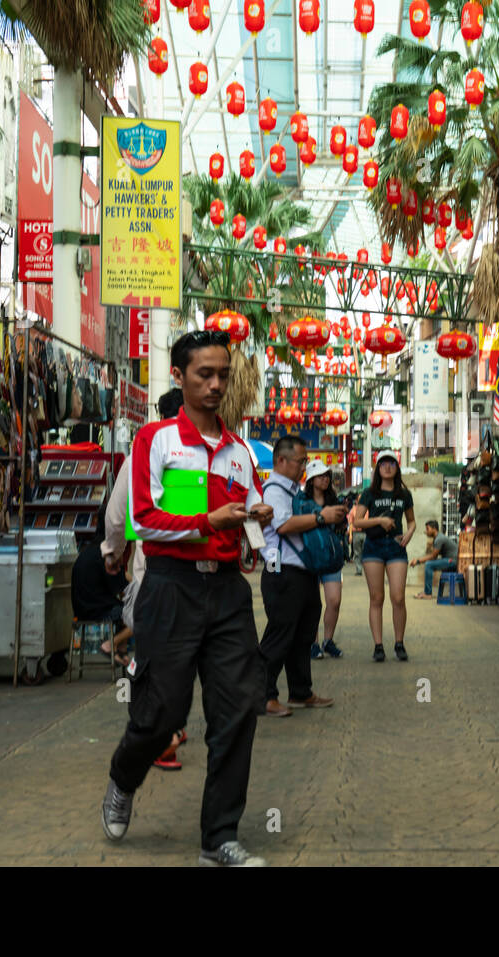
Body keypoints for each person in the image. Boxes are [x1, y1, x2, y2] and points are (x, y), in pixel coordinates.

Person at [102, 329, 275, 867]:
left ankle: (218, 838)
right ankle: (123, 777)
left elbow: (246, 534)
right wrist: (208, 519)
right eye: (205, 373)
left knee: (238, 710)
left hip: (226, 591)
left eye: (223, 373)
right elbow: (145, 521)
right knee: (160, 712)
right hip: (170, 587)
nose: (217, 384)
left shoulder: (240, 452)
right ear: (179, 375)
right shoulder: (155, 441)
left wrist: (256, 528)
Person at [101, 388, 186, 769]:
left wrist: (112, 552)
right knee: (172, 660)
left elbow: (117, 517)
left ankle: (163, 732)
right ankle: (162, 734)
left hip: (154, 576)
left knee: (157, 659)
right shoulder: (205, 451)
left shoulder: (142, 455)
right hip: (195, 580)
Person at [257, 437, 345, 716]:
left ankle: (300, 691)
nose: (303, 466)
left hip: (303, 569)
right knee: (280, 633)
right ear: (281, 461)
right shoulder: (274, 490)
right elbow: (282, 525)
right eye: (301, 461)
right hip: (282, 569)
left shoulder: (293, 490)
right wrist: (322, 516)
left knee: (303, 634)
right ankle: (263, 695)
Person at [351, 451, 415, 661]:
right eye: (383, 464)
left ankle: (399, 643)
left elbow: (412, 521)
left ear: (397, 468)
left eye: (391, 463)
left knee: (398, 597)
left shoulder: (404, 494)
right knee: (376, 598)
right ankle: (378, 645)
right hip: (374, 547)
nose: (387, 467)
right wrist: (379, 521)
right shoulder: (370, 494)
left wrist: (409, 533)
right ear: (378, 468)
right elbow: (357, 522)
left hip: (396, 547)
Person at [304, 460, 347, 659]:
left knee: (334, 600)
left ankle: (328, 640)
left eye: (326, 475)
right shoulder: (302, 501)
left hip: (330, 556)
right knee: (312, 603)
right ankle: (312, 643)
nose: (325, 478)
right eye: (321, 476)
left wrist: (339, 529)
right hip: (309, 556)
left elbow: (343, 525)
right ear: (311, 480)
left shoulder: (333, 500)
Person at [411, 520, 458, 599]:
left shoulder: (439, 539)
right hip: (449, 560)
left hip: (452, 561)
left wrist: (418, 561)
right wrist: (419, 561)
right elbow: (434, 556)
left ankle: (428, 593)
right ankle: (427, 591)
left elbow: (433, 556)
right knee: (429, 563)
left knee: (429, 565)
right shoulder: (437, 538)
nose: (426, 531)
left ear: (434, 529)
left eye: (427, 529)